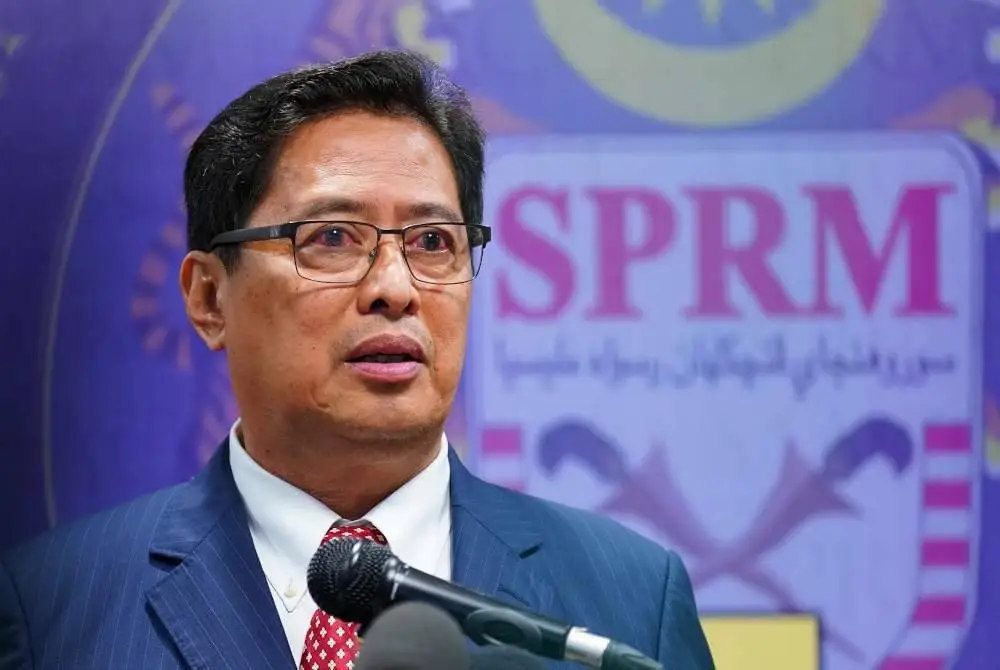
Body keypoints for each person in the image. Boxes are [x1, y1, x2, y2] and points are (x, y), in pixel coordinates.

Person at [0, 50, 715, 670]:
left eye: (433, 243)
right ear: (210, 298)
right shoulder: (53, 605)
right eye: (333, 238)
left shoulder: (627, 599)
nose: (395, 289)